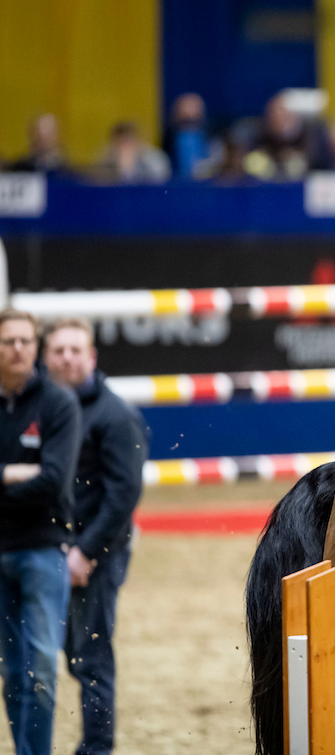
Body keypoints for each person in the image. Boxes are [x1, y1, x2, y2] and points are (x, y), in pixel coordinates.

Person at [43, 318, 146, 755]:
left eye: (75, 349)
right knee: (68, 656)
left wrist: (86, 552)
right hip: (48, 551)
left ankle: (97, 749)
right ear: (46, 357)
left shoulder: (116, 415)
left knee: (91, 661)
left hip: (96, 556)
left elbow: (124, 497)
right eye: (58, 350)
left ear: (92, 356)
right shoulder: (43, 408)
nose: (67, 357)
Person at [0, 309, 83, 755]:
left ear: (35, 347)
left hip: (43, 551)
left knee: (42, 670)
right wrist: (11, 475)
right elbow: (40, 479)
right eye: (8, 341)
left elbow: (53, 481)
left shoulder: (58, 403)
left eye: (25, 341)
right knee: (12, 672)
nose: (18, 349)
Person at [96, 122, 170, 184]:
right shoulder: (106, 161)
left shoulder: (154, 159)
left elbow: (162, 180)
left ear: (137, 141)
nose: (124, 148)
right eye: (120, 143)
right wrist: (123, 170)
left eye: (127, 142)